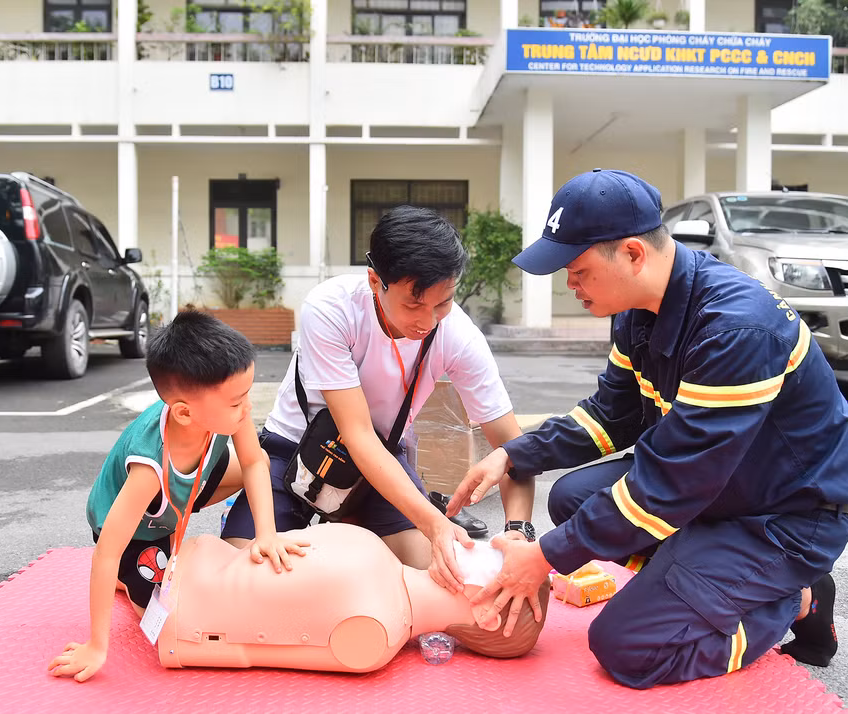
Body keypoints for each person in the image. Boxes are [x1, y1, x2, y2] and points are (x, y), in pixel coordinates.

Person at [448, 169, 848, 689]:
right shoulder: (639, 311)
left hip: (783, 517)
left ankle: (790, 599)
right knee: (573, 498)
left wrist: (543, 558)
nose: (569, 285)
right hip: (723, 491)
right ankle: (696, 583)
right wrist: (513, 455)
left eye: (576, 270)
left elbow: (670, 484)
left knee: (628, 648)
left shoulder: (735, 328)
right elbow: (611, 416)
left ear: (631, 254)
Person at [222, 206, 536, 606]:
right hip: (294, 453)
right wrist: (434, 522)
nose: (429, 321)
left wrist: (519, 531)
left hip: (381, 465)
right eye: (413, 304)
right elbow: (356, 435)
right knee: (242, 581)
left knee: (448, 581)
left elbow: (515, 447)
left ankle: (351, 543)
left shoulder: (458, 335)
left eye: (444, 302)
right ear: (375, 280)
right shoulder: (330, 308)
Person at [48, 310, 307, 683]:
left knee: (266, 463)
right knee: (166, 615)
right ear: (185, 413)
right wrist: (96, 645)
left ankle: (178, 520)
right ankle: (130, 579)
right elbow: (106, 552)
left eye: (247, 395)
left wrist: (267, 534)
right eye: (237, 403)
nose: (248, 408)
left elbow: (252, 463)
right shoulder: (148, 467)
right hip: (138, 529)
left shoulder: (220, 413)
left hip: (187, 483)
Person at [158, 522, 550, 672]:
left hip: (181, 613)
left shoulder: (374, 632)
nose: (484, 542)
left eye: (495, 560)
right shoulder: (380, 561)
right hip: (192, 564)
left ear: (487, 614)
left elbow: (256, 650)